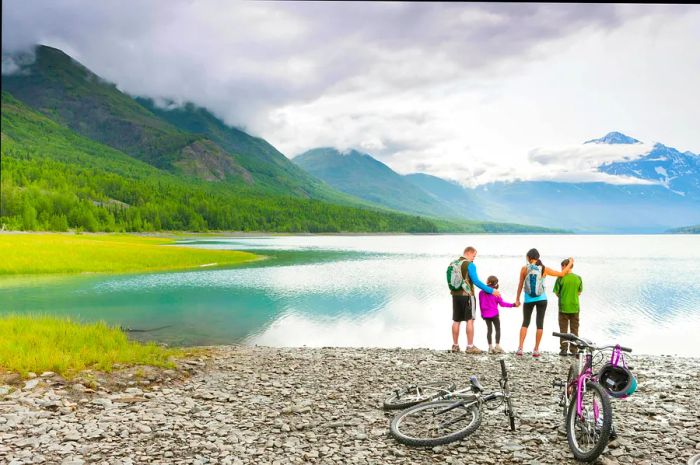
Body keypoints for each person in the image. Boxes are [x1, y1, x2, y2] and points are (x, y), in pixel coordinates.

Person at [514, 248, 573, 357]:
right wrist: (570, 263)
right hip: (542, 299)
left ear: (528, 257)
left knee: (525, 323)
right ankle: (536, 350)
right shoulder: (544, 269)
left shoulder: (524, 269)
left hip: (528, 300)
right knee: (539, 324)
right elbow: (561, 274)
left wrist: (517, 299)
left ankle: (520, 348)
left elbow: (520, 284)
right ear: (538, 257)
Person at [451, 246, 500, 354]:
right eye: (473, 255)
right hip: (468, 296)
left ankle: (455, 345)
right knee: (470, 320)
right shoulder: (470, 265)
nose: (474, 258)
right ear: (468, 253)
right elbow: (476, 282)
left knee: (456, 320)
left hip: (455, 295)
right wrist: (491, 291)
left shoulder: (453, 264)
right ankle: (470, 346)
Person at [479, 275, 519, 354]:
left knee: (489, 330)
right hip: (494, 314)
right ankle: (497, 346)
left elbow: (481, 304)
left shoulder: (481, 292)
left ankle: (490, 347)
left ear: (488, 282)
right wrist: (513, 305)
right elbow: (502, 304)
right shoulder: (496, 293)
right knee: (497, 329)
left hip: (486, 314)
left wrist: (482, 314)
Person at [553, 258, 583, 356]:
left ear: (566, 266)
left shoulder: (560, 278)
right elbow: (579, 292)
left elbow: (557, 293)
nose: (561, 269)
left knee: (563, 330)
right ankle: (574, 350)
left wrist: (564, 297)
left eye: (562, 267)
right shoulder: (578, 278)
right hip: (575, 307)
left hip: (563, 307)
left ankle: (564, 349)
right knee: (574, 329)